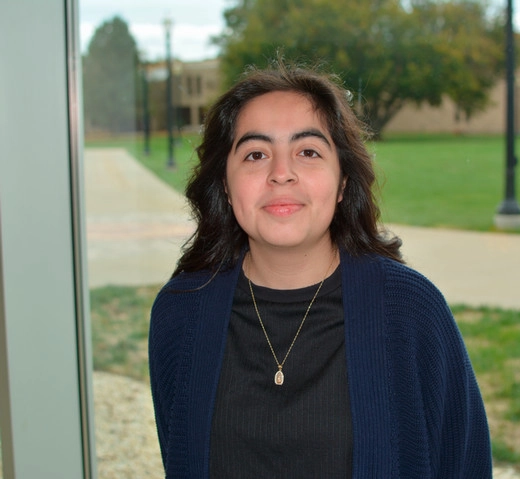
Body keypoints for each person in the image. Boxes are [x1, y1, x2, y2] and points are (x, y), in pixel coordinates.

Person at [149, 60, 492, 479]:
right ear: (224, 183)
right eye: (256, 154)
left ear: (344, 181)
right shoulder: (181, 312)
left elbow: (464, 463)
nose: (281, 174)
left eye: (308, 151)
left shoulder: (411, 310)